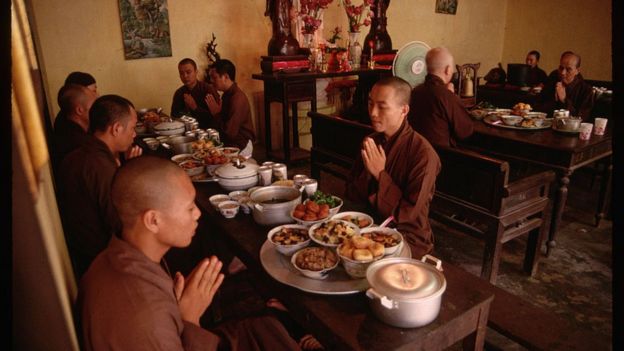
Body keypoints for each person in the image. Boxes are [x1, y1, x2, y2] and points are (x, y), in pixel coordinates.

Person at [79, 156, 302, 351]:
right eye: (189, 207)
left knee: (265, 328)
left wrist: (176, 310)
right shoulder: (146, 316)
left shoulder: (114, 256)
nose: (197, 213)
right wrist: (189, 319)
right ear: (153, 220)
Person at [346, 77, 441, 258]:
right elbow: (351, 192)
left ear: (403, 110)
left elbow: (408, 213)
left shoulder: (423, 155)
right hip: (368, 225)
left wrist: (380, 174)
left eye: (382, 106)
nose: (373, 112)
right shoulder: (372, 141)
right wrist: (367, 174)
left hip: (407, 237)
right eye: (370, 103)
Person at [57, 95, 142, 279]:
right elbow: (120, 225)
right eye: (133, 128)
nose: (134, 134)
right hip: (101, 261)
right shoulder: (100, 167)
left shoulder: (81, 153)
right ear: (116, 129)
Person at [408, 47, 473, 147]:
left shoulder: (414, 91)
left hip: (413, 150)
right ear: (448, 70)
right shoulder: (447, 96)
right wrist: (451, 97)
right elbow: (465, 131)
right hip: (440, 157)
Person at [205, 59, 256, 149]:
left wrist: (216, 114)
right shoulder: (227, 94)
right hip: (230, 142)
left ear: (225, 77)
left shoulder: (237, 98)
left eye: (214, 77)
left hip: (241, 145)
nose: (211, 81)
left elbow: (230, 133)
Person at [537, 51, 594, 120]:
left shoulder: (586, 90)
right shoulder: (553, 81)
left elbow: (582, 118)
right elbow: (539, 106)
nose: (563, 73)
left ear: (577, 71)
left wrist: (564, 100)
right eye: (561, 68)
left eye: (568, 69)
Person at [52, 84, 97, 167]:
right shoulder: (77, 142)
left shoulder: (71, 126)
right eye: (94, 106)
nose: (99, 109)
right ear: (79, 110)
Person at [171, 58, 220, 129]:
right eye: (181, 73)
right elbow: (174, 116)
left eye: (188, 72)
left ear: (196, 72)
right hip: (185, 131)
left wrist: (195, 107)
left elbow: (216, 117)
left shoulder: (208, 89)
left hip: (207, 131)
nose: (185, 76)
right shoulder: (179, 93)